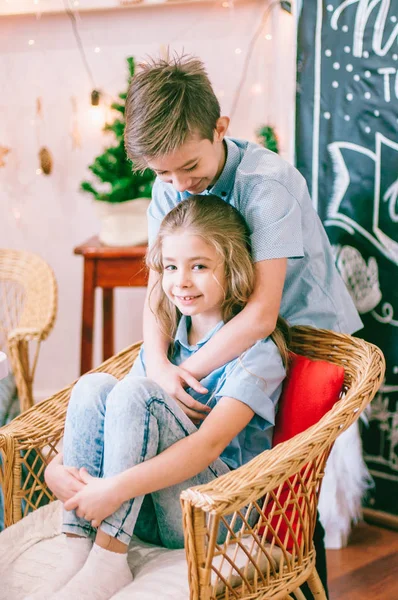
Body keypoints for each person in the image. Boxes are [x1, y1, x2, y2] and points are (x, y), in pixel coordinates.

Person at [124, 54, 364, 598]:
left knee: (290, 492)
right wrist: (158, 365)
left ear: (220, 129)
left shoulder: (267, 183)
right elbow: (158, 290)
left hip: (305, 337)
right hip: (234, 338)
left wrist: (183, 369)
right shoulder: (170, 185)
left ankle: (301, 582)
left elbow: (261, 313)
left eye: (190, 168)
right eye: (164, 174)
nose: (180, 185)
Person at [28, 196, 288, 600]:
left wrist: (112, 490)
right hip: (147, 505)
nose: (180, 281)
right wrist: (55, 468)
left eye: (199, 266)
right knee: (93, 387)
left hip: (216, 514)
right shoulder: (165, 344)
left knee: (138, 393)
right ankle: (78, 548)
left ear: (233, 267)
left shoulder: (258, 354)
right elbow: (112, 420)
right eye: (170, 267)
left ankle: (109, 560)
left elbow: (208, 446)